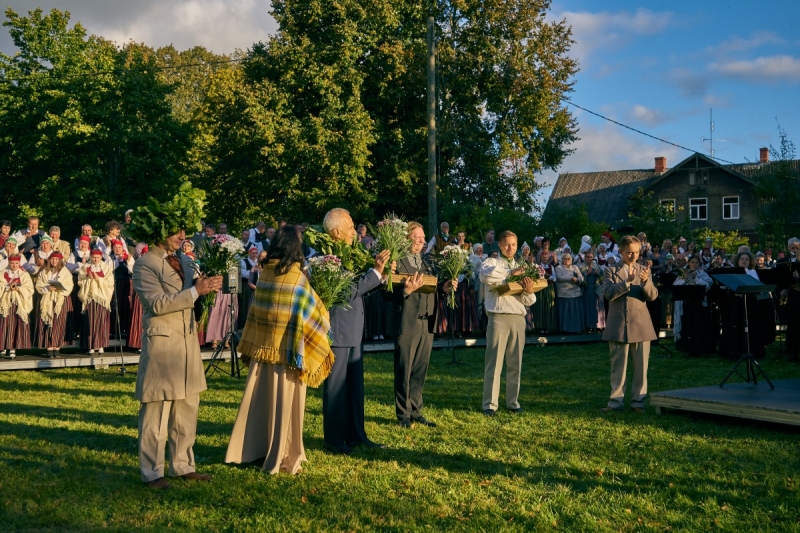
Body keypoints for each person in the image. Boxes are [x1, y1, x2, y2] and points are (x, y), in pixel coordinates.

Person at [226, 226, 334, 474]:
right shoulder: (297, 280)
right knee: (285, 404)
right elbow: (316, 315)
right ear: (296, 248)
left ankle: (255, 449)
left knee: (260, 403)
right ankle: (283, 453)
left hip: (263, 354)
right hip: (287, 356)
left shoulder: (265, 275)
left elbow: (257, 313)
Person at [133, 220, 222, 490]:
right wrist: (196, 290)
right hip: (163, 346)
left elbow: (190, 293)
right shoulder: (145, 263)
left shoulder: (183, 259)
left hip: (187, 344)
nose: (182, 236)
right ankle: (152, 473)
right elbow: (157, 303)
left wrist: (206, 284)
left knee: (187, 409)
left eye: (184, 231)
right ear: (159, 231)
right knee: (156, 413)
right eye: (175, 231)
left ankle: (183, 466)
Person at [319, 208, 390, 454]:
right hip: (338, 331)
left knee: (355, 388)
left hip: (354, 330)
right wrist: (375, 274)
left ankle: (356, 434)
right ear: (336, 232)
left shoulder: (349, 255)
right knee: (336, 388)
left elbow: (359, 289)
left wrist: (378, 276)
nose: (354, 231)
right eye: (350, 226)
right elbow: (345, 292)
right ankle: (334, 439)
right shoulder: (327, 258)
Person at [389, 221, 456, 428]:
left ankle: (416, 410)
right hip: (407, 321)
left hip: (427, 321)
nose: (422, 240)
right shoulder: (397, 262)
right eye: (417, 236)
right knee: (404, 368)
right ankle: (403, 414)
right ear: (407, 237)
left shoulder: (428, 262)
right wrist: (406, 292)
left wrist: (444, 289)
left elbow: (432, 288)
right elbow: (386, 295)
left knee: (420, 368)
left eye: (423, 236)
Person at [479, 231, 537, 416]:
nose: (510, 248)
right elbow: (486, 276)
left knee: (515, 363)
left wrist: (528, 290)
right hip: (498, 317)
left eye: (513, 244)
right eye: (506, 244)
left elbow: (529, 300)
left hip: (518, 318)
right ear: (499, 245)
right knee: (494, 362)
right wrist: (511, 273)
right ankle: (490, 404)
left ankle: (513, 402)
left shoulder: (523, 266)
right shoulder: (492, 262)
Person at [600, 235, 658, 413]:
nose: (634, 256)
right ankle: (616, 402)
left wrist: (646, 280)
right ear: (621, 251)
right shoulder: (610, 270)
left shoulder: (644, 269)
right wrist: (626, 283)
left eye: (637, 252)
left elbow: (653, 296)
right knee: (618, 367)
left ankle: (638, 402)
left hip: (641, 325)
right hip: (618, 325)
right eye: (629, 253)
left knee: (641, 368)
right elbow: (608, 293)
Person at [35, 252, 74, 358]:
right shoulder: (44, 271)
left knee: (59, 322)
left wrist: (60, 289)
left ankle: (57, 348)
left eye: (57, 259)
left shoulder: (66, 272)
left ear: (60, 260)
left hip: (60, 300)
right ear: (49, 260)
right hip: (48, 299)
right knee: (47, 322)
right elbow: (39, 284)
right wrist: (47, 288)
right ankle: (49, 347)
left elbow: (70, 285)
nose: (54, 261)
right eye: (52, 259)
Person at [78, 249, 114, 355]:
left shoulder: (106, 268)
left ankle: (101, 345)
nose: (95, 259)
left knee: (101, 321)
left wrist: (98, 278)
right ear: (90, 257)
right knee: (90, 322)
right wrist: (88, 278)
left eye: (98, 257)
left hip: (101, 297)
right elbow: (80, 281)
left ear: (101, 257)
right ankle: (91, 346)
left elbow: (110, 283)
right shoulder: (85, 267)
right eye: (93, 257)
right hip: (89, 297)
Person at [0, 255, 34, 358]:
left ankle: (12, 349)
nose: (14, 265)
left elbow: (29, 289)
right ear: (8, 263)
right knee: (4, 325)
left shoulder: (24, 274)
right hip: (6, 304)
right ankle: (3, 348)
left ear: (19, 263)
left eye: (16, 263)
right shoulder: (2, 273)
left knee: (15, 326)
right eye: (12, 263)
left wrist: (18, 289)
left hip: (18, 304)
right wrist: (7, 287)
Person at [555, 253, 585, 333]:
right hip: (564, 293)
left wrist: (578, 280)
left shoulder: (575, 267)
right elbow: (560, 278)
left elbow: (581, 277)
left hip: (575, 292)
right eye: (565, 258)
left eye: (569, 259)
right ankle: (565, 329)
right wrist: (571, 278)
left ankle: (576, 328)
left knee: (575, 312)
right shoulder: (558, 268)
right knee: (565, 313)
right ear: (562, 260)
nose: (567, 260)